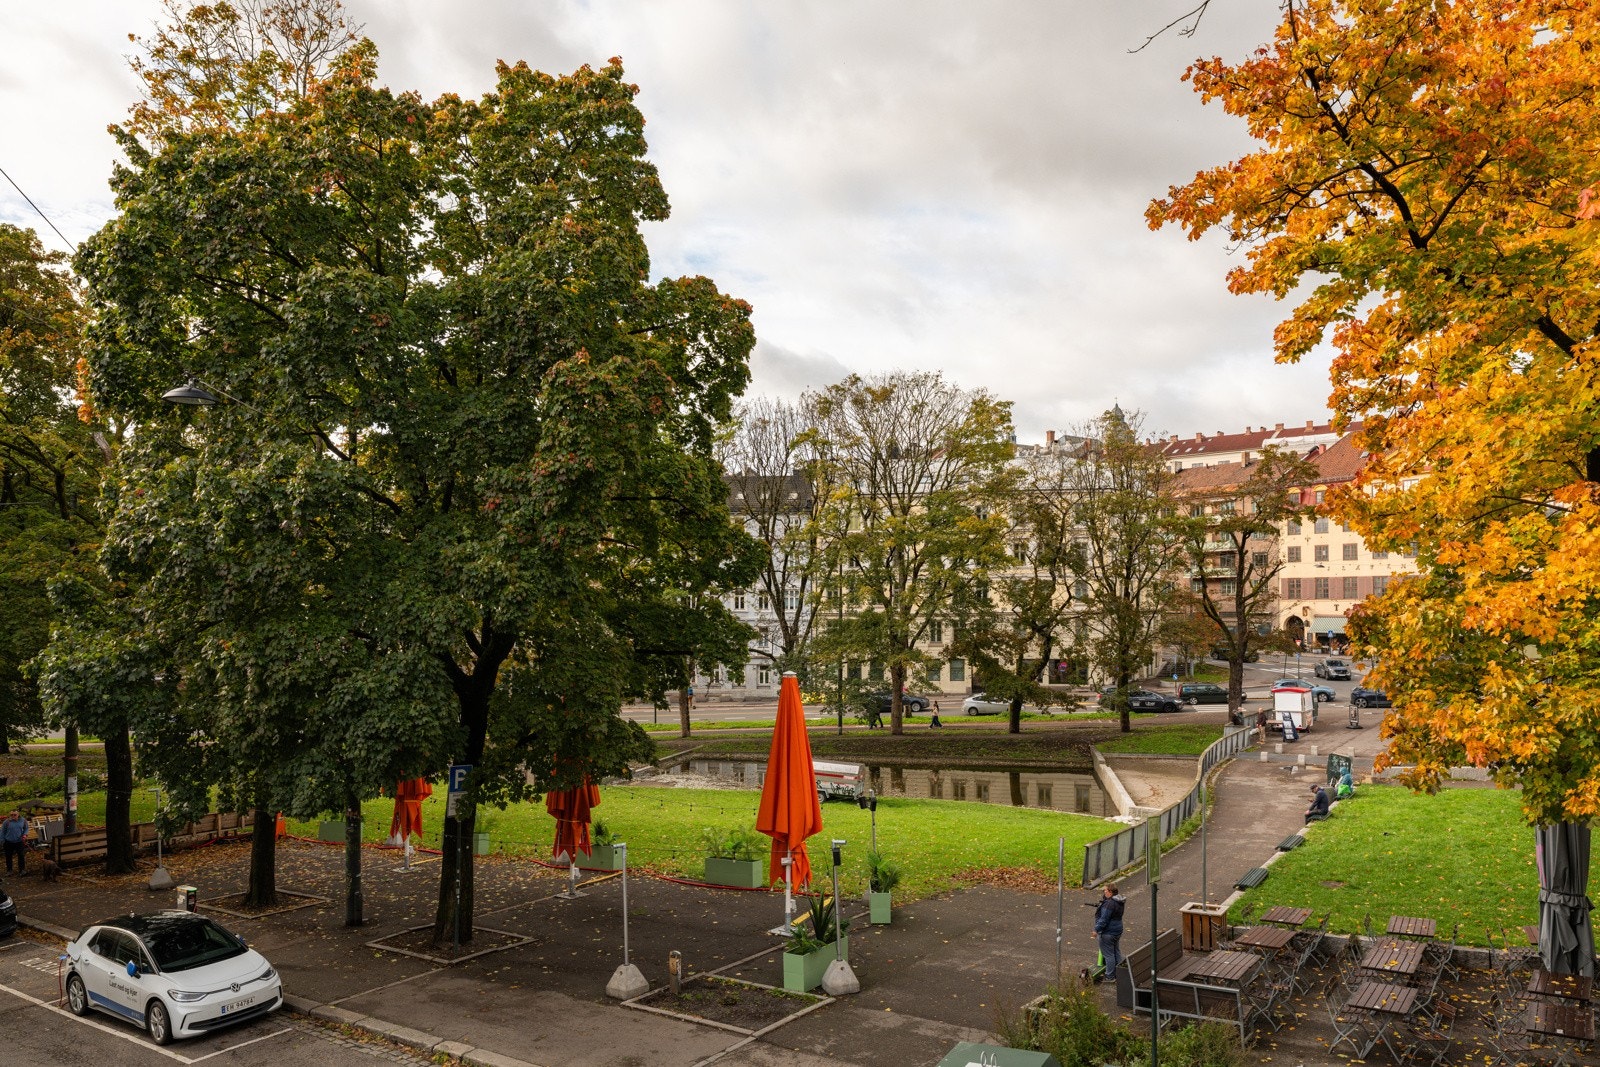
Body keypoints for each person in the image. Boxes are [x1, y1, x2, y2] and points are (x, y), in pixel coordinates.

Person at [1093, 882, 1126, 982]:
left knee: (1108, 955)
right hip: (1117, 930)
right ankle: (1120, 973)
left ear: (1110, 892)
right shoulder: (1119, 901)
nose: (1104, 892)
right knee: (1116, 952)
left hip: (1108, 932)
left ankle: (1110, 976)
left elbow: (1104, 920)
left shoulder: (1109, 904)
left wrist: (1096, 929)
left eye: (1105, 890)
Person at [2, 810, 30, 875]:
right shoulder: (7, 822)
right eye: (11, 815)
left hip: (19, 841)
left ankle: (22, 870)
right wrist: (2, 841)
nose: (13, 816)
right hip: (8, 842)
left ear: (18, 814)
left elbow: (26, 828)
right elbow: (2, 832)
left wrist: (25, 835)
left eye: (15, 815)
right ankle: (9, 870)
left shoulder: (23, 820)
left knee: (21, 855)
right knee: (8, 856)